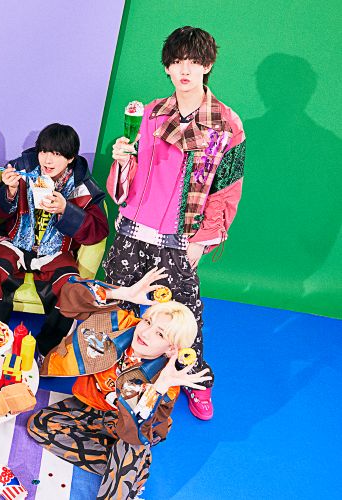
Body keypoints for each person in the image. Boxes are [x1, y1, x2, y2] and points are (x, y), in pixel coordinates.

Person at [105, 26, 245, 420]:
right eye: (178, 61)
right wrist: (122, 161)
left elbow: (226, 188)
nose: (185, 70)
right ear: (167, 67)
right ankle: (107, 368)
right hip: (135, 228)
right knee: (121, 303)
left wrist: (202, 240)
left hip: (181, 236)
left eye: (194, 62)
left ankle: (195, 382)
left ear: (208, 65)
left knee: (184, 318)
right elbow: (134, 176)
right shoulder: (151, 112)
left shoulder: (227, 125)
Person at [28, 268, 210, 500]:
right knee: (39, 425)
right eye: (148, 321)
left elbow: (133, 432)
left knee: (130, 448)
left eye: (160, 334)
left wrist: (157, 389)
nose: (146, 332)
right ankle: (127, 472)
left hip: (131, 428)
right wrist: (120, 293)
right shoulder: (120, 323)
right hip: (95, 407)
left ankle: (126, 470)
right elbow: (70, 295)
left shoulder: (167, 382)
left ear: (172, 349)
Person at [0, 123, 108, 354]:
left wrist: (66, 210)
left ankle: (49, 350)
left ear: (70, 158)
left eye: (57, 154)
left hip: (56, 251)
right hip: (15, 242)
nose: (48, 159)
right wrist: (9, 191)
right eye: (44, 151)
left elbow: (98, 231)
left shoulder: (82, 186)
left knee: (69, 286)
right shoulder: (22, 170)